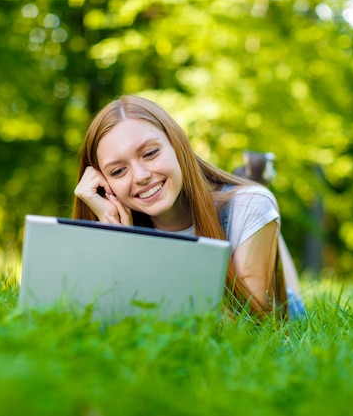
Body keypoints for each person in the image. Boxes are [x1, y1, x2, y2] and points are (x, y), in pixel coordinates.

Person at [73, 95, 304, 319]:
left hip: (279, 303)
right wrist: (122, 241)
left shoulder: (250, 205)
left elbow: (254, 323)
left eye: (150, 153)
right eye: (118, 171)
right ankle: (253, 184)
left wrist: (258, 210)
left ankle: (255, 189)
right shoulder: (115, 224)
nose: (141, 176)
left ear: (177, 145)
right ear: (106, 185)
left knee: (258, 207)